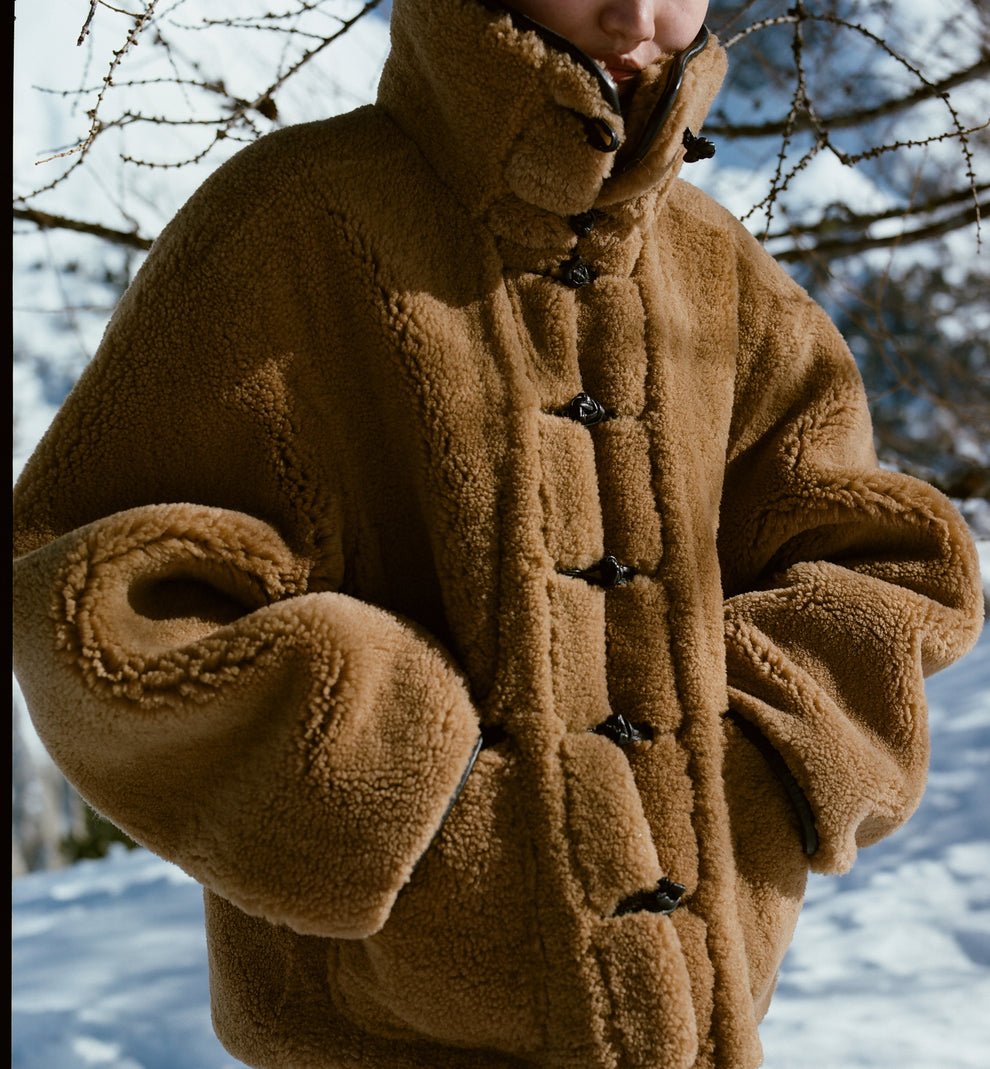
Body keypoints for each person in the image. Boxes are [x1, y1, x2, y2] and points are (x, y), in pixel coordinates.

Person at [12, 1, 984, 1067]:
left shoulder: (720, 273)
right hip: (376, 1039)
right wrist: (410, 793)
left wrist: (761, 770)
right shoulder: (291, 224)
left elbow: (878, 559)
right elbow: (98, 595)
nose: (639, 15)